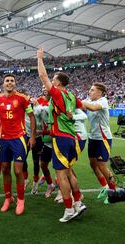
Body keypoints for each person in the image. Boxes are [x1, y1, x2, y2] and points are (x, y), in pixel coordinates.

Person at [37, 48, 86, 222]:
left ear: (57, 83)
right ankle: (78, 202)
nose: (50, 82)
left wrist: (40, 58)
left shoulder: (58, 94)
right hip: (71, 138)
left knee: (61, 175)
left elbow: (43, 76)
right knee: (70, 172)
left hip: (61, 138)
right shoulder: (72, 96)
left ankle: (68, 209)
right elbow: (83, 106)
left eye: (53, 80)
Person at [0, 74, 36, 215]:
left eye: (12, 81)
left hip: (19, 139)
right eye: (7, 81)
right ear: (3, 84)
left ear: (15, 83)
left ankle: (21, 200)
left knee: (17, 171)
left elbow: (32, 117)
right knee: (5, 169)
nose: (9, 83)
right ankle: (8, 197)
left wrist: (32, 136)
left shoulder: (22, 98)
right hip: (3, 139)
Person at [82, 83, 116, 204]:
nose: (89, 92)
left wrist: (78, 102)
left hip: (103, 138)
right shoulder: (88, 100)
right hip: (93, 137)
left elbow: (92, 108)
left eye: (92, 90)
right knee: (92, 164)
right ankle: (105, 186)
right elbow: (81, 105)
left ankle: (113, 192)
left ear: (100, 93)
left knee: (102, 166)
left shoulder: (103, 101)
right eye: (90, 90)